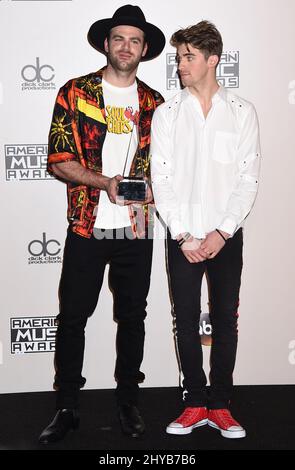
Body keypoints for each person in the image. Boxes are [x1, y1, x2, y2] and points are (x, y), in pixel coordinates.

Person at [39, 5, 165, 444]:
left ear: (144, 49)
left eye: (134, 40)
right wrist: (104, 182)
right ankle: (67, 407)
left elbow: (167, 169)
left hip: (137, 227)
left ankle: (128, 402)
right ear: (106, 44)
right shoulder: (75, 93)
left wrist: (156, 187)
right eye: (118, 38)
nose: (126, 46)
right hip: (87, 226)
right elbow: (59, 160)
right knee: (73, 318)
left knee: (132, 317)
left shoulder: (156, 104)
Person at [151, 20, 260, 438]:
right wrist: (184, 234)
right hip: (183, 238)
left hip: (225, 237)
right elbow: (161, 178)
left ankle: (221, 405)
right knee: (184, 319)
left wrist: (222, 232)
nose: (180, 64)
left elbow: (248, 178)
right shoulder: (167, 114)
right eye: (179, 57)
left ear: (213, 60)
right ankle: (194, 402)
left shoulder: (242, 112)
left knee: (226, 322)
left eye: (188, 56)